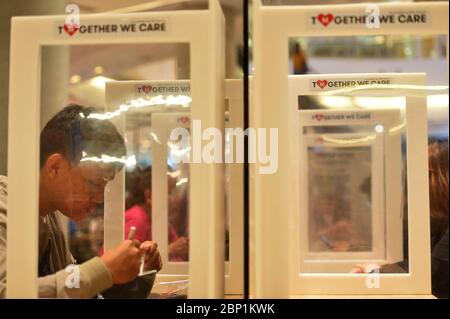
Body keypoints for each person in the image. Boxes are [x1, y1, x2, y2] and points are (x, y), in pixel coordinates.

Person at [0, 104, 162, 298]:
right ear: (55, 167)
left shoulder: (48, 218)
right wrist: (104, 270)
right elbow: (8, 292)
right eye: (93, 184)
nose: (100, 198)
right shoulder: (5, 205)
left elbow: (72, 286)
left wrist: (133, 274)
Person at [352, 141, 449, 298]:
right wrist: (376, 270)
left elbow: (433, 273)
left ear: (443, 178)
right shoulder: (442, 217)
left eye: (425, 175)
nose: (415, 186)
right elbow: (420, 264)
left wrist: (374, 271)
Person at [125, 167, 189, 261]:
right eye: (169, 192)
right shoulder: (136, 219)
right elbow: (128, 261)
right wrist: (169, 251)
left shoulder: (161, 221)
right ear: (149, 196)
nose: (175, 198)